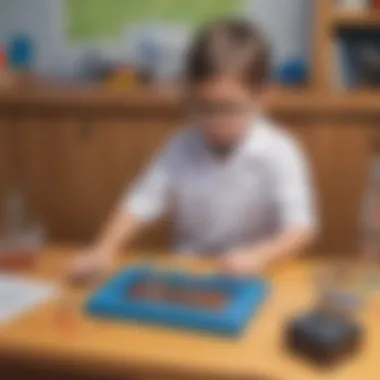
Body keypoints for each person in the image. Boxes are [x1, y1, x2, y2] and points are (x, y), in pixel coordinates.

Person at [69, 19, 317, 281]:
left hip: (255, 274)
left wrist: (260, 254)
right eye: (203, 108)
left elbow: (301, 228)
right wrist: (104, 248)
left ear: (264, 96)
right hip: (188, 274)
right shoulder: (181, 146)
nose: (215, 122)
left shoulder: (281, 150)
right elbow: (140, 201)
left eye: (229, 109)